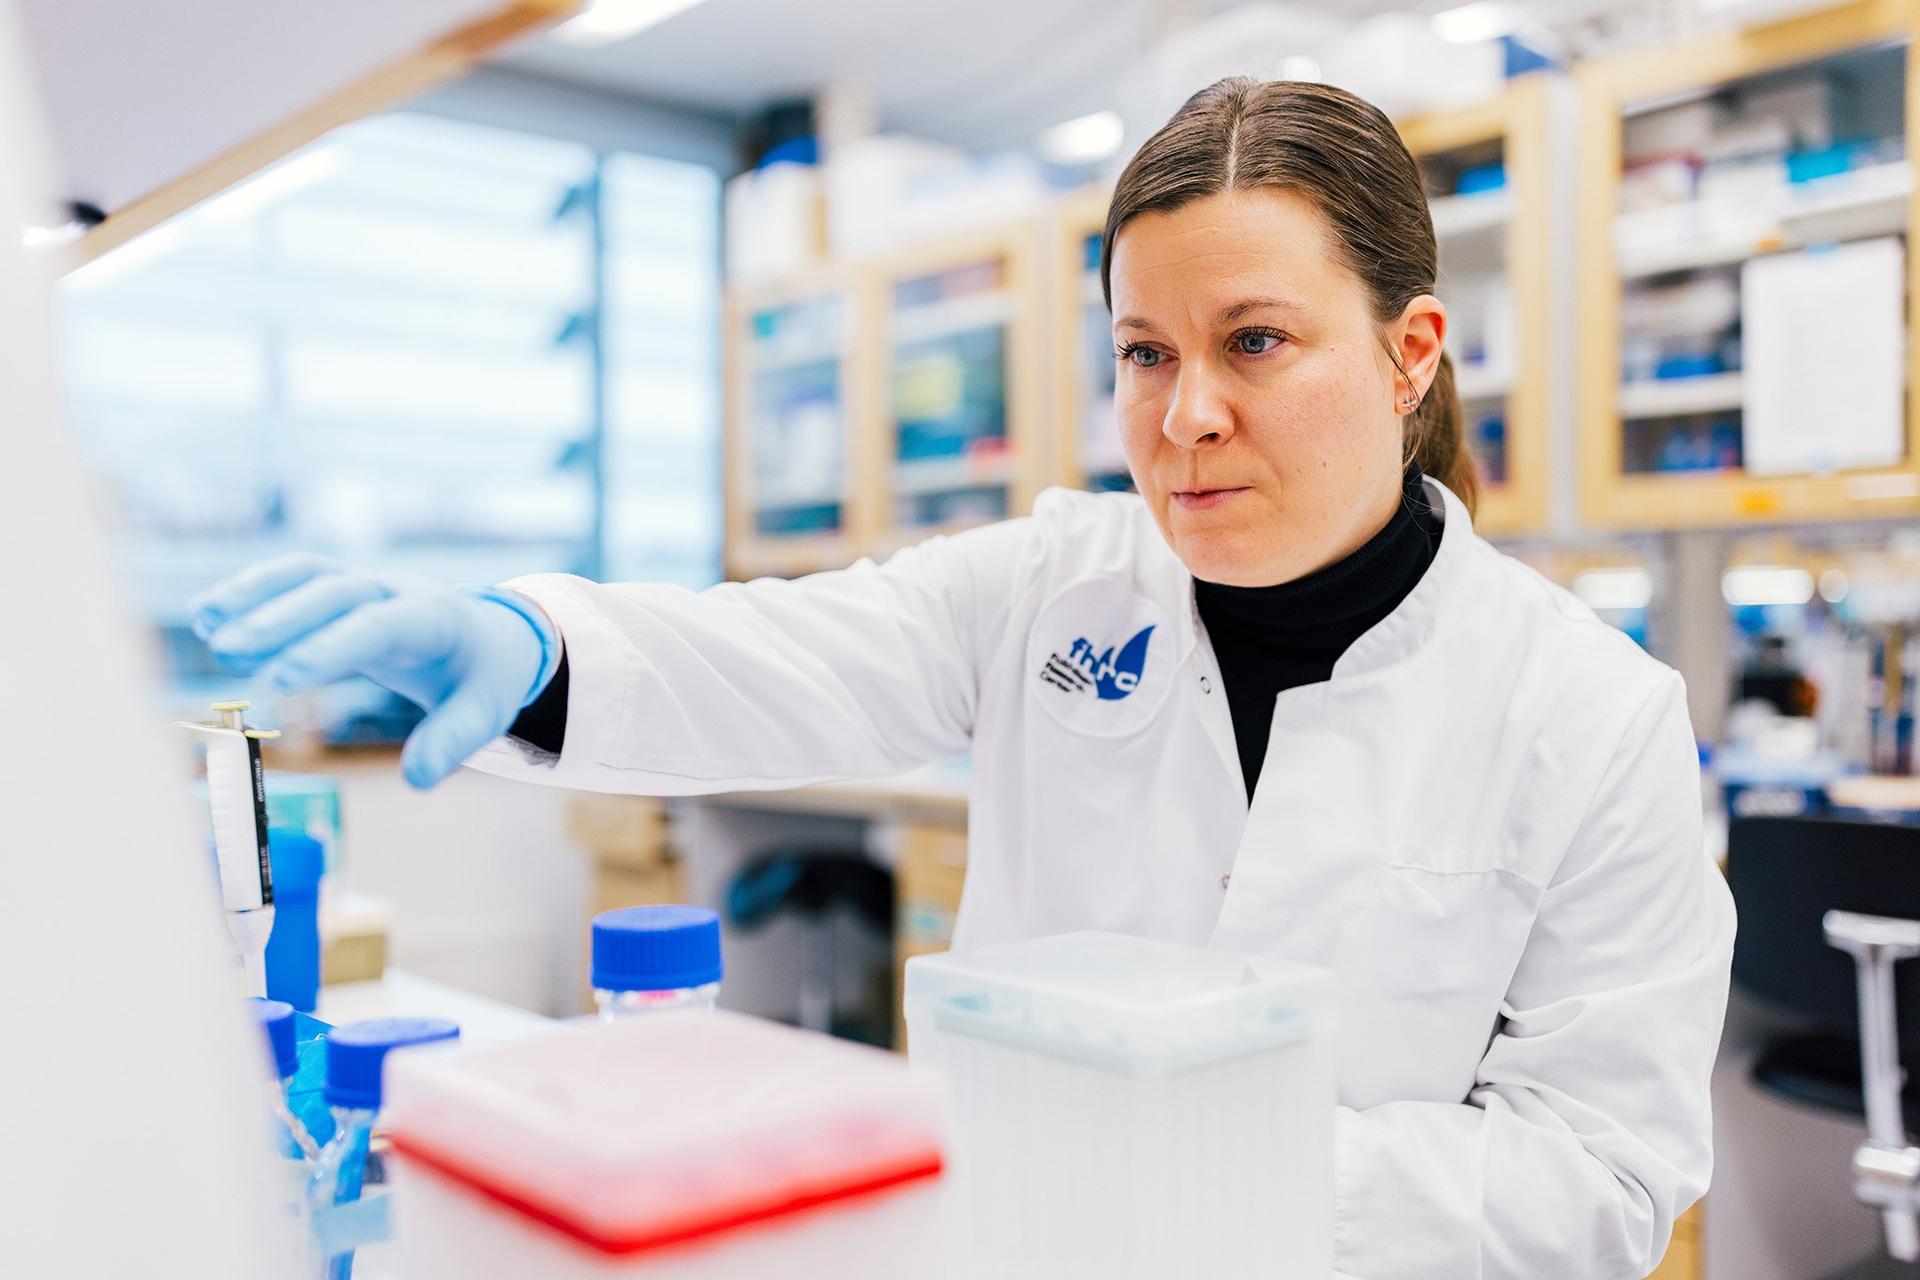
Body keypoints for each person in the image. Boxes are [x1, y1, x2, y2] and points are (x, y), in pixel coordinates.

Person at [190, 78, 1734, 1279]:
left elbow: (1602, 1171)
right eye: (1143, 352)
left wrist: (1199, 1161)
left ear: (1410, 354)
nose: (1185, 412)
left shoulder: (1588, 714)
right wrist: (530, 646)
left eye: (1254, 341)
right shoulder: (1048, 584)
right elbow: (770, 656)